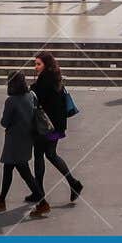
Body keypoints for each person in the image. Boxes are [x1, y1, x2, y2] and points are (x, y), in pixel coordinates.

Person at [0, 71, 46, 216]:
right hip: (27, 138)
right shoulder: (31, 95)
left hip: (14, 140)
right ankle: (1, 199)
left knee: (24, 172)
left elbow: (4, 122)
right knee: (8, 168)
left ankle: (43, 202)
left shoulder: (11, 101)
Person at [30, 51, 84, 207]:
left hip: (46, 126)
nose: (36, 67)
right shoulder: (55, 78)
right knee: (51, 154)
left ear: (46, 65)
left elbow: (35, 94)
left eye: (38, 64)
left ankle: (39, 193)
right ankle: (73, 183)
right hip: (56, 126)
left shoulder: (44, 81)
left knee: (40, 155)